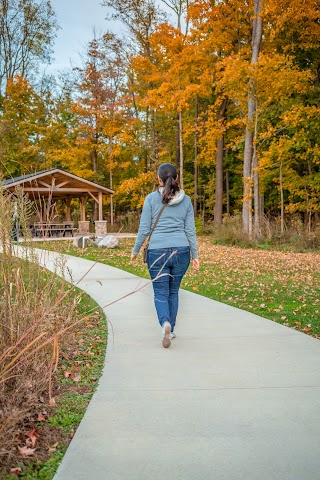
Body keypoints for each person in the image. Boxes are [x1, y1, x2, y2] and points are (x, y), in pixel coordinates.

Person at [131, 163, 200, 348]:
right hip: (182, 251)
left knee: (160, 292)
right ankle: (173, 329)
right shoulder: (185, 201)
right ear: (176, 178)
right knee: (174, 291)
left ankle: (165, 324)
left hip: (157, 252)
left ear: (159, 179)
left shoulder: (151, 199)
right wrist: (195, 255)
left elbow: (144, 228)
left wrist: (136, 250)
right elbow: (190, 230)